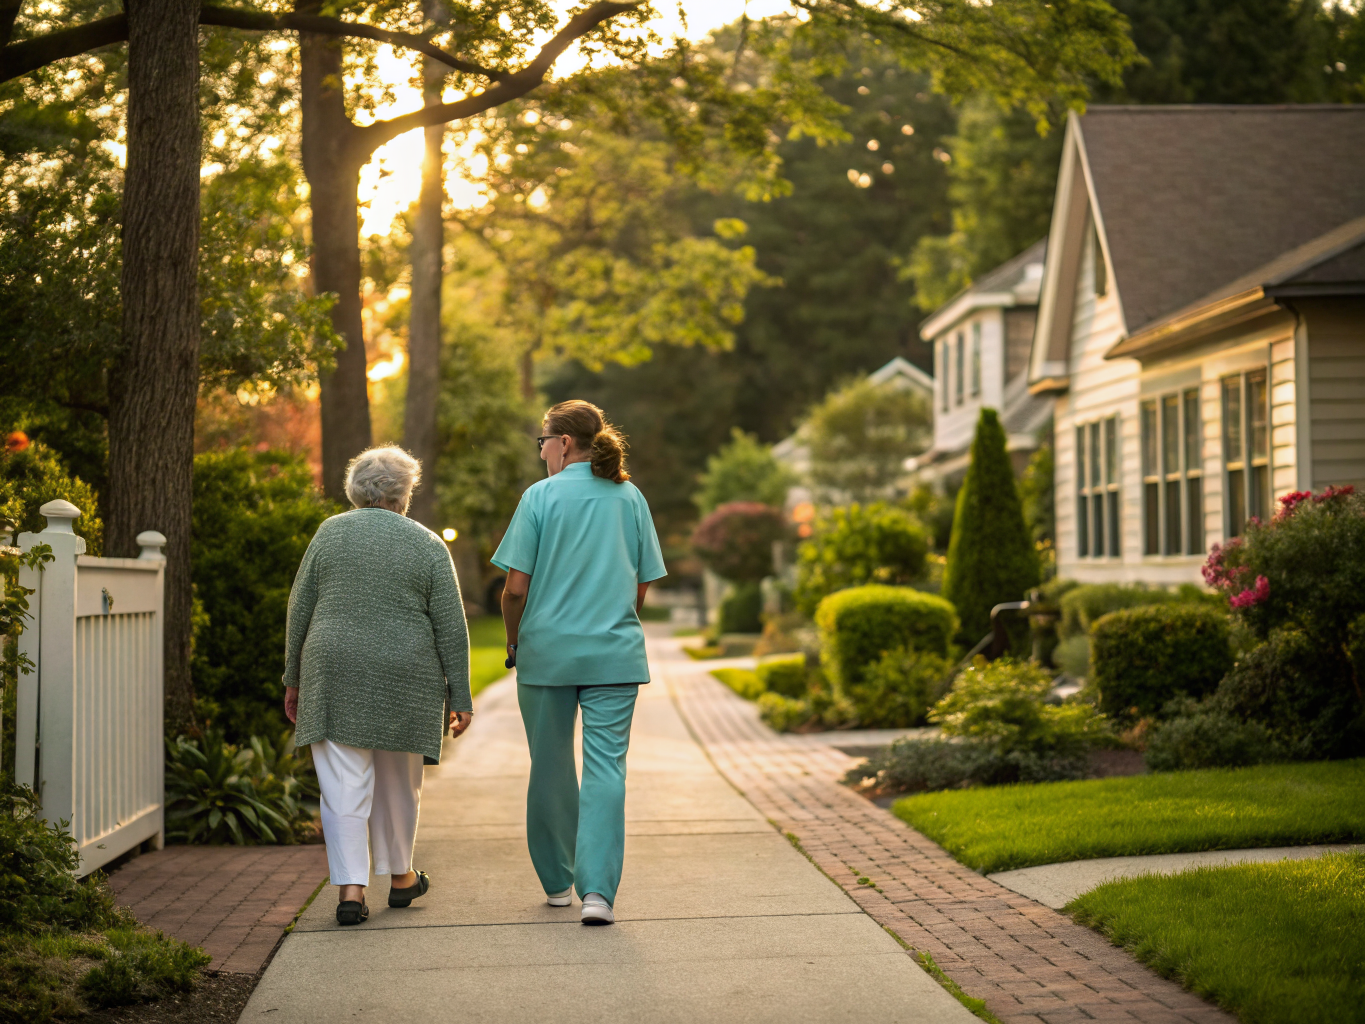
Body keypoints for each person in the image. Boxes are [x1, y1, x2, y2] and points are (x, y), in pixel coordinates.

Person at [282, 446, 474, 926]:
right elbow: (451, 626)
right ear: (404, 493)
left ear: (355, 490)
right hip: (406, 674)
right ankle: (402, 877)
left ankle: (352, 891)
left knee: (344, 785)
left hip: (334, 668)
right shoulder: (428, 543)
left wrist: (293, 678)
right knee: (398, 782)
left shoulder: (329, 533)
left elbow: (299, 609)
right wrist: (462, 697)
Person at [493, 400, 666, 925]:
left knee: (549, 767)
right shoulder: (630, 497)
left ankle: (556, 883)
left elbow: (515, 590)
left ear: (563, 442)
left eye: (542, 440)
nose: (541, 450)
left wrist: (514, 643)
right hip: (614, 655)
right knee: (606, 769)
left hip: (546, 654)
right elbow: (641, 588)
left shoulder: (539, 498)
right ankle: (599, 895)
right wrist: (611, 620)